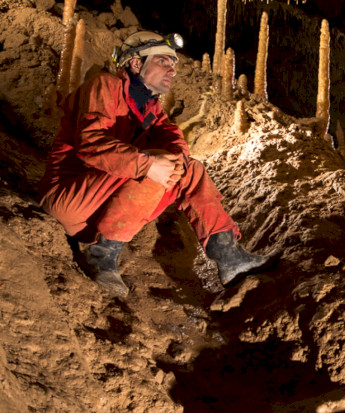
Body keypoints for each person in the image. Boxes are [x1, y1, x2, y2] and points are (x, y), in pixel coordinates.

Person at [38, 30, 267, 297]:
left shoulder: (149, 107)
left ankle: (228, 257)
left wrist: (174, 159)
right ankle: (102, 258)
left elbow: (172, 137)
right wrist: (148, 164)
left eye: (173, 64)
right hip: (70, 198)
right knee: (159, 165)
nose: (172, 70)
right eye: (163, 62)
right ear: (136, 63)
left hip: (100, 210)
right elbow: (91, 144)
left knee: (189, 169)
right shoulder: (105, 86)